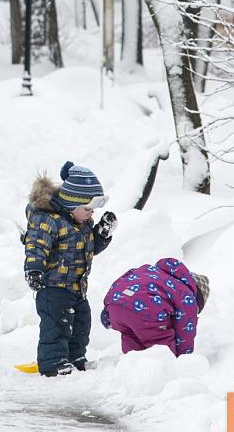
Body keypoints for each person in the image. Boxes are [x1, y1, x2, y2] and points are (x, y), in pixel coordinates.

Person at [22, 161, 117, 376]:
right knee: (57, 326)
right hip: (53, 288)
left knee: (82, 324)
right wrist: (34, 270)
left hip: (76, 288)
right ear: (71, 203)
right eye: (87, 209)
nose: (91, 214)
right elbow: (35, 246)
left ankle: (75, 358)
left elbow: (88, 249)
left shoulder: (82, 224)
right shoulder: (48, 221)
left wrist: (102, 234)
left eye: (93, 210)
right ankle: (54, 363)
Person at [101, 258, 209, 357]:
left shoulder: (148, 270)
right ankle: (163, 371)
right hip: (146, 312)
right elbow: (185, 330)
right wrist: (183, 358)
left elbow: (123, 281)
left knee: (131, 340)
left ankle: (130, 368)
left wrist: (107, 308)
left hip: (116, 307)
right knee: (161, 349)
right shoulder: (186, 295)